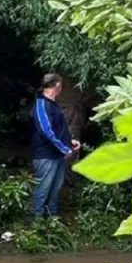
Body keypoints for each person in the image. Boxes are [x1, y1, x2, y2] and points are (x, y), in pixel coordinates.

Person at [29, 74, 80, 218]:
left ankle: (52, 220)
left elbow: (58, 128)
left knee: (55, 189)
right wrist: (64, 148)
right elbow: (46, 130)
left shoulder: (53, 105)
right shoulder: (41, 104)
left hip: (57, 155)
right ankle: (36, 223)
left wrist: (69, 142)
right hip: (45, 155)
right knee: (43, 189)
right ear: (57, 85)